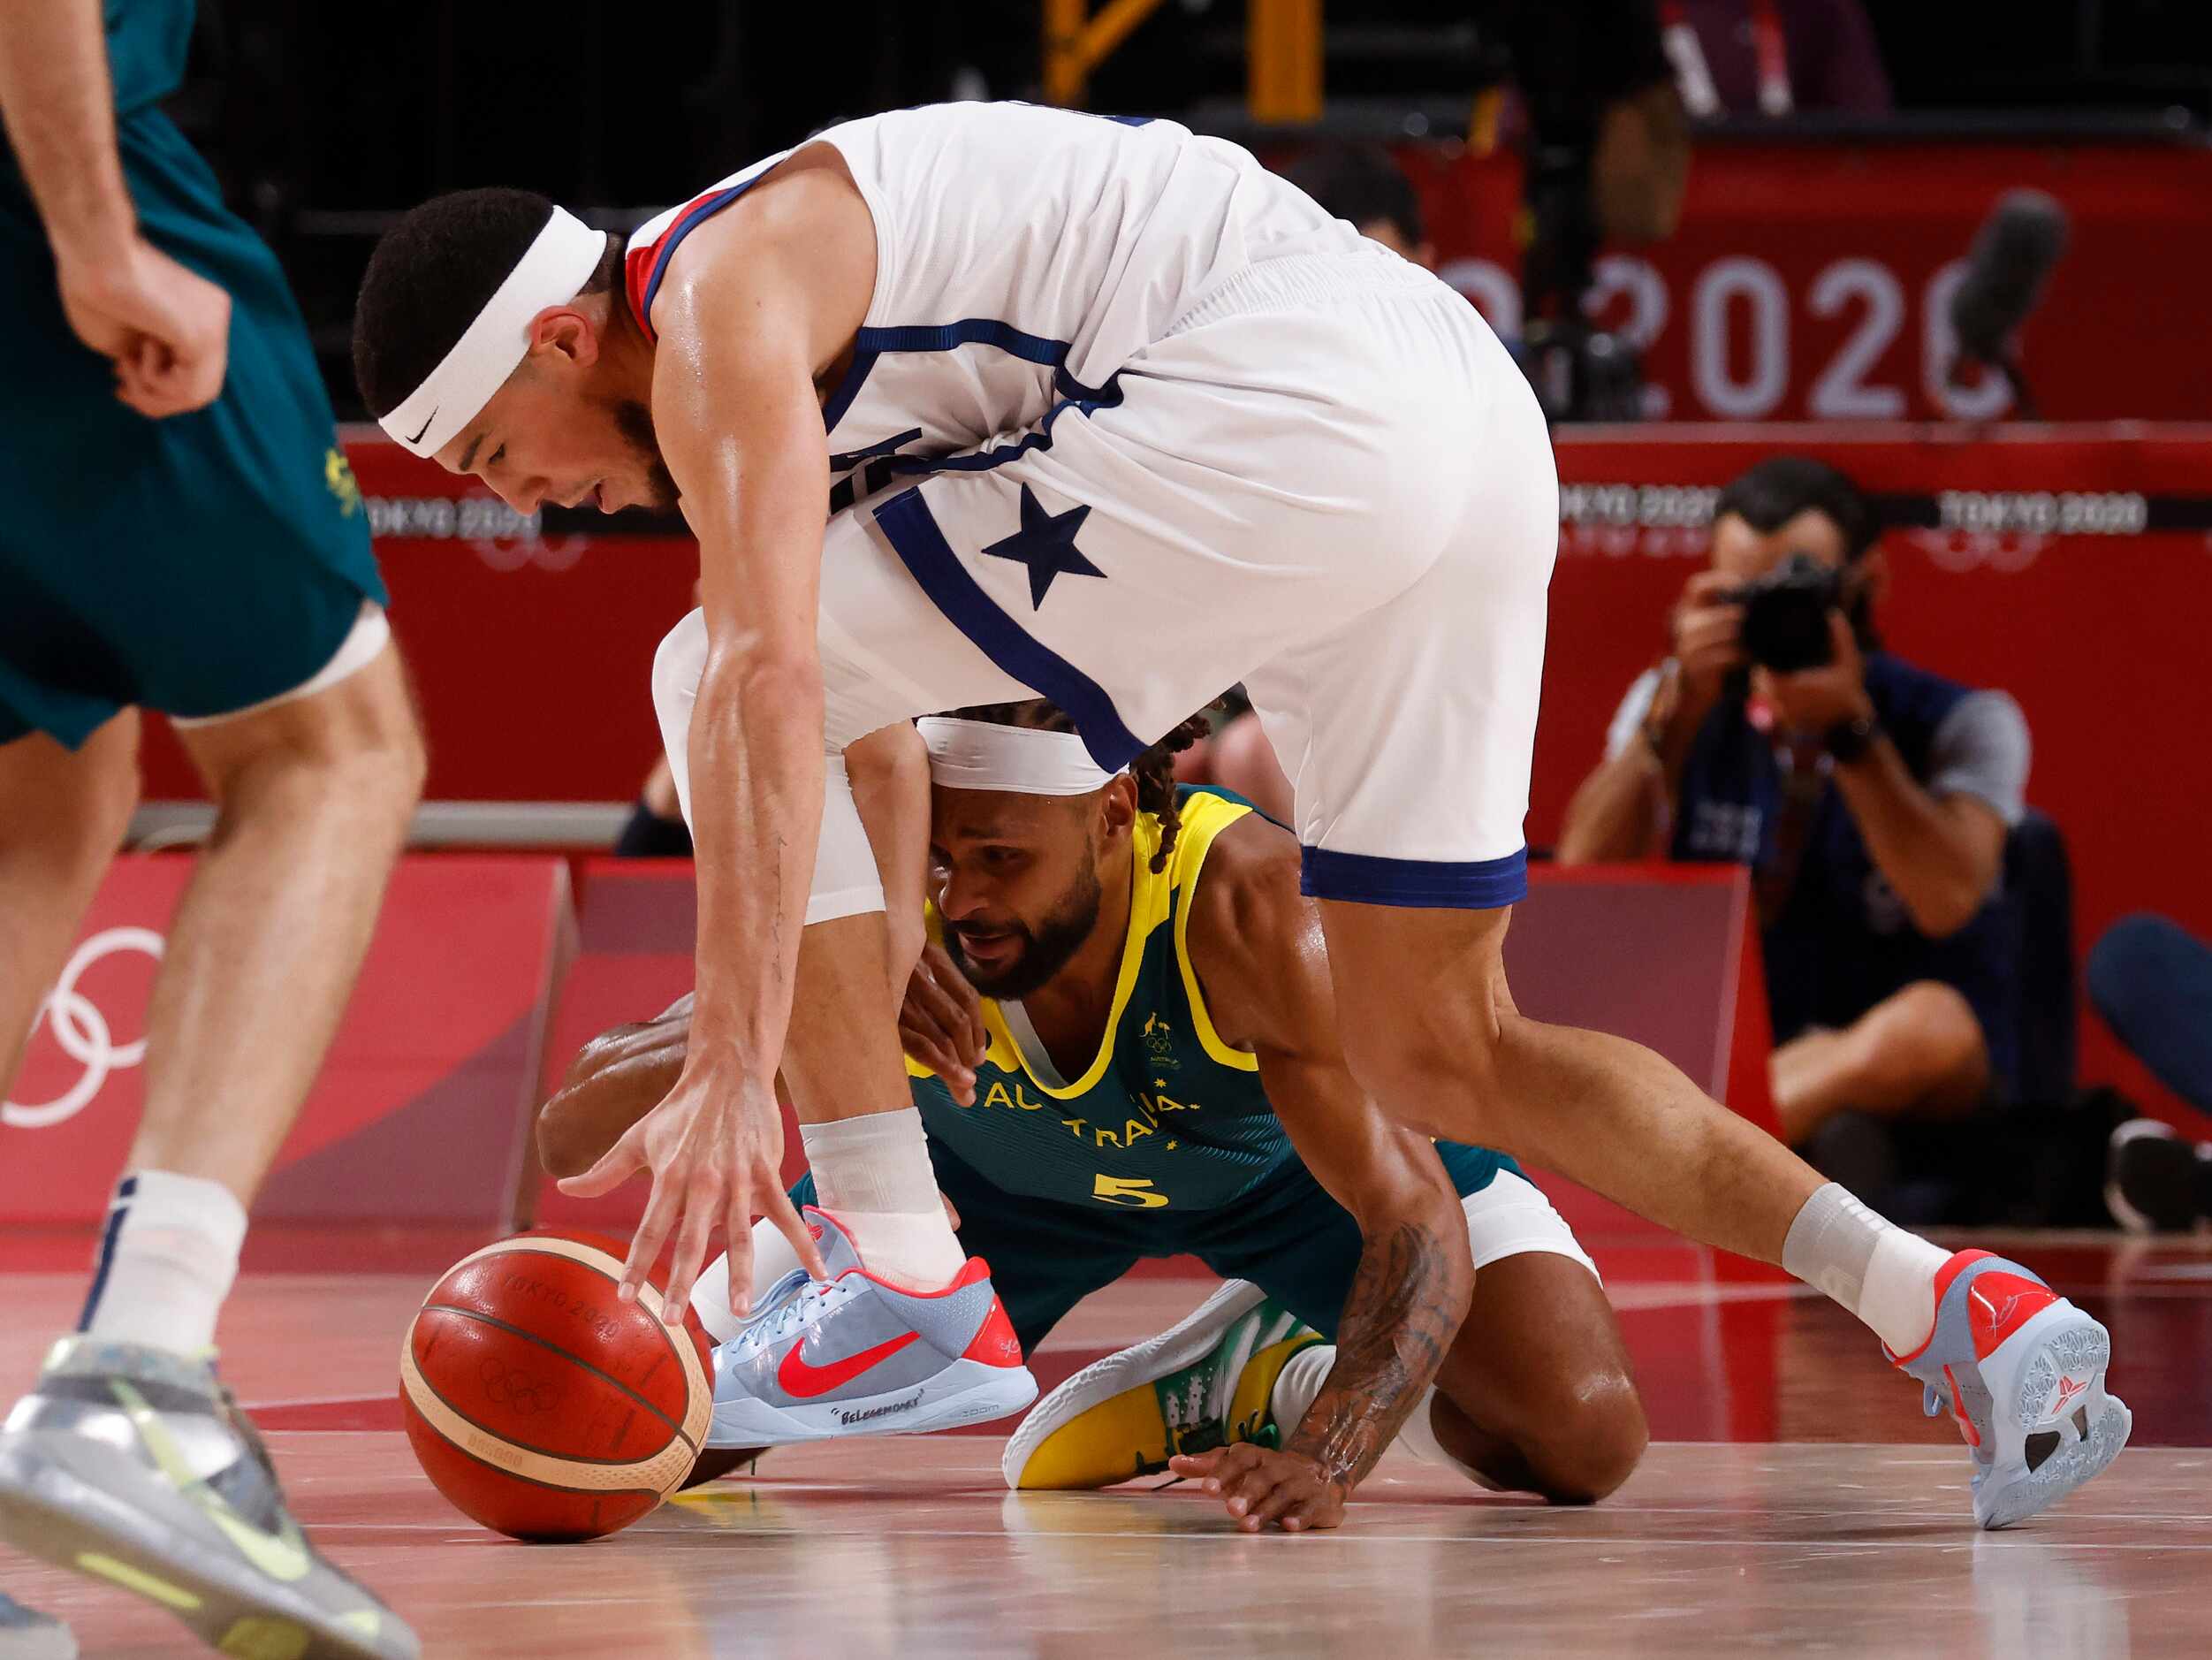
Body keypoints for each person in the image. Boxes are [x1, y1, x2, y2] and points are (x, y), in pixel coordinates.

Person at [351, 102, 2125, 1529]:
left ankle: (907, 1275)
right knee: (1446, 1049)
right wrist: (841, 978)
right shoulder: (776, 336)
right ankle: (1951, 1307)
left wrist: (746, 1044)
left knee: (695, 675)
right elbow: (862, 734)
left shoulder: (718, 308)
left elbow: (763, 683)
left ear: (566, 335)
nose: (539, 504)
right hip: (1455, 426)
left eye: (506, 455)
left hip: (1285, 405)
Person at [538, 704, 1646, 1529]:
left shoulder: (1253, 906)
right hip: (983, 1209)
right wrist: (783, 1008)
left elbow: (1410, 1211)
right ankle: (1238, 1373)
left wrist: (1331, 1448)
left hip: (1291, 1190)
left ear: (1114, 812)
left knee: (1582, 1433)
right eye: (941, 859)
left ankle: (1280, 1373)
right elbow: (569, 1132)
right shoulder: (879, 898)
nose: (962, 900)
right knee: (639, 1437)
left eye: (1002, 860)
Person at [0, 4, 422, 1656]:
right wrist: (97, 236)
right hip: (38, 182)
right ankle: (142, 1375)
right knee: (329, 747)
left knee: (49, 775)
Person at [1556, 458, 2032, 1167]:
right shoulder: (1674, 702)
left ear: (1867, 580)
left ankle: (1668, 1151)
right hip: (1727, 1041)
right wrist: (1672, 721)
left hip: (1909, 1059)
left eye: (1797, 590)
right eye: (1742, 594)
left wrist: (1852, 736)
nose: (1772, 615)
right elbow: (1584, 879)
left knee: (1928, 1026)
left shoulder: (1965, 720)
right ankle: (1734, 1134)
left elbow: (1946, 900)